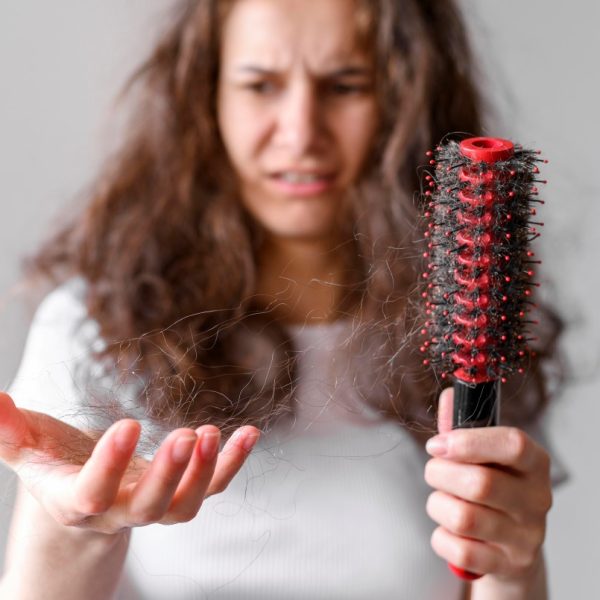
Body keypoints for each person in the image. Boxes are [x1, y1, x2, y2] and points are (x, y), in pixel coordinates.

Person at [0, 1, 564, 598]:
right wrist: (78, 531)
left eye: (345, 85)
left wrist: (512, 563)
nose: (300, 132)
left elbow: (489, 573)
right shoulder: (92, 329)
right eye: (260, 85)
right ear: (206, 95)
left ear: (406, 98)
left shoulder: (475, 329)